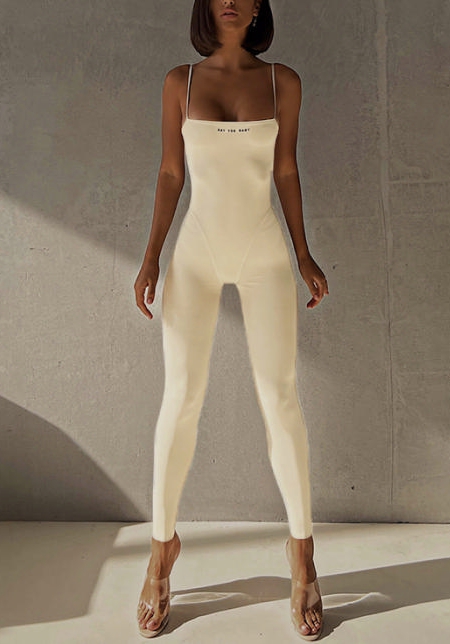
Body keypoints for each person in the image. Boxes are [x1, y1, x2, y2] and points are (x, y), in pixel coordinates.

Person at [134, 0, 329, 639]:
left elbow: (286, 170)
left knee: (281, 398)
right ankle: (161, 550)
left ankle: (302, 554)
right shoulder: (180, 82)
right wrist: (151, 258)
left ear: (259, 5)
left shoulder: (283, 82)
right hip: (195, 253)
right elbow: (171, 172)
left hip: (263, 251)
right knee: (180, 399)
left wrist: (303, 254)